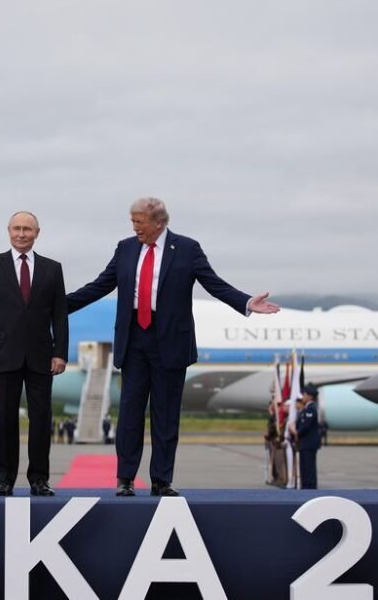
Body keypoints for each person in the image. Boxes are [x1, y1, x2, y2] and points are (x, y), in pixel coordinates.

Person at [67, 197, 280, 497]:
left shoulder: (187, 249)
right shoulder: (125, 248)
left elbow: (213, 283)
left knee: (165, 415)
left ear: (159, 223)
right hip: (134, 339)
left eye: (139, 222)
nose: (134, 227)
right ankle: (125, 479)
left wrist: (245, 302)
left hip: (170, 342)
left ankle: (161, 480)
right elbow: (100, 285)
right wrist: (59, 306)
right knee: (130, 413)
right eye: (132, 221)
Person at [0, 211, 68, 497]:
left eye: (27, 229)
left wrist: (60, 352)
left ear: (37, 233)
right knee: (4, 420)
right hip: (3, 354)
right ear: (9, 231)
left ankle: (39, 479)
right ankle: (4, 478)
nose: (21, 234)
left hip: (41, 356)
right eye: (17, 228)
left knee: (41, 419)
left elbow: (60, 315)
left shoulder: (52, 269)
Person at [292, 385, 321, 490]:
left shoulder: (311, 409)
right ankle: (306, 486)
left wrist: (296, 432)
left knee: (308, 467)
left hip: (309, 443)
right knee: (304, 467)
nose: (303, 397)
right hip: (305, 443)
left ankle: (310, 487)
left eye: (304, 395)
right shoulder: (307, 409)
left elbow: (305, 426)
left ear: (309, 396)